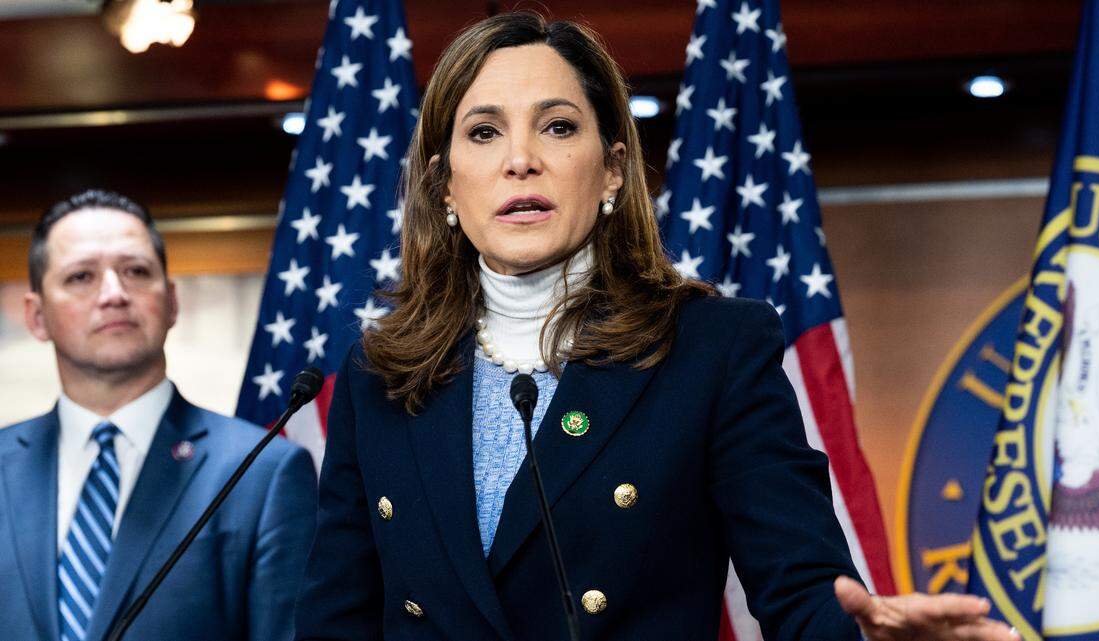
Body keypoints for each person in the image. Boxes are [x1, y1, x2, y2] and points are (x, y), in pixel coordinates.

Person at [294, 12, 1019, 641]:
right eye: (483, 132)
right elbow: (338, 619)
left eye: (557, 126)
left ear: (612, 170)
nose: (520, 160)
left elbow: (803, 590)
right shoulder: (379, 376)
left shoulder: (711, 349)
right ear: (445, 185)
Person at [0, 189, 317, 641]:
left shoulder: (263, 472)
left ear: (171, 302)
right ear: (36, 317)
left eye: (135, 271)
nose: (113, 293)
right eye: (81, 277)